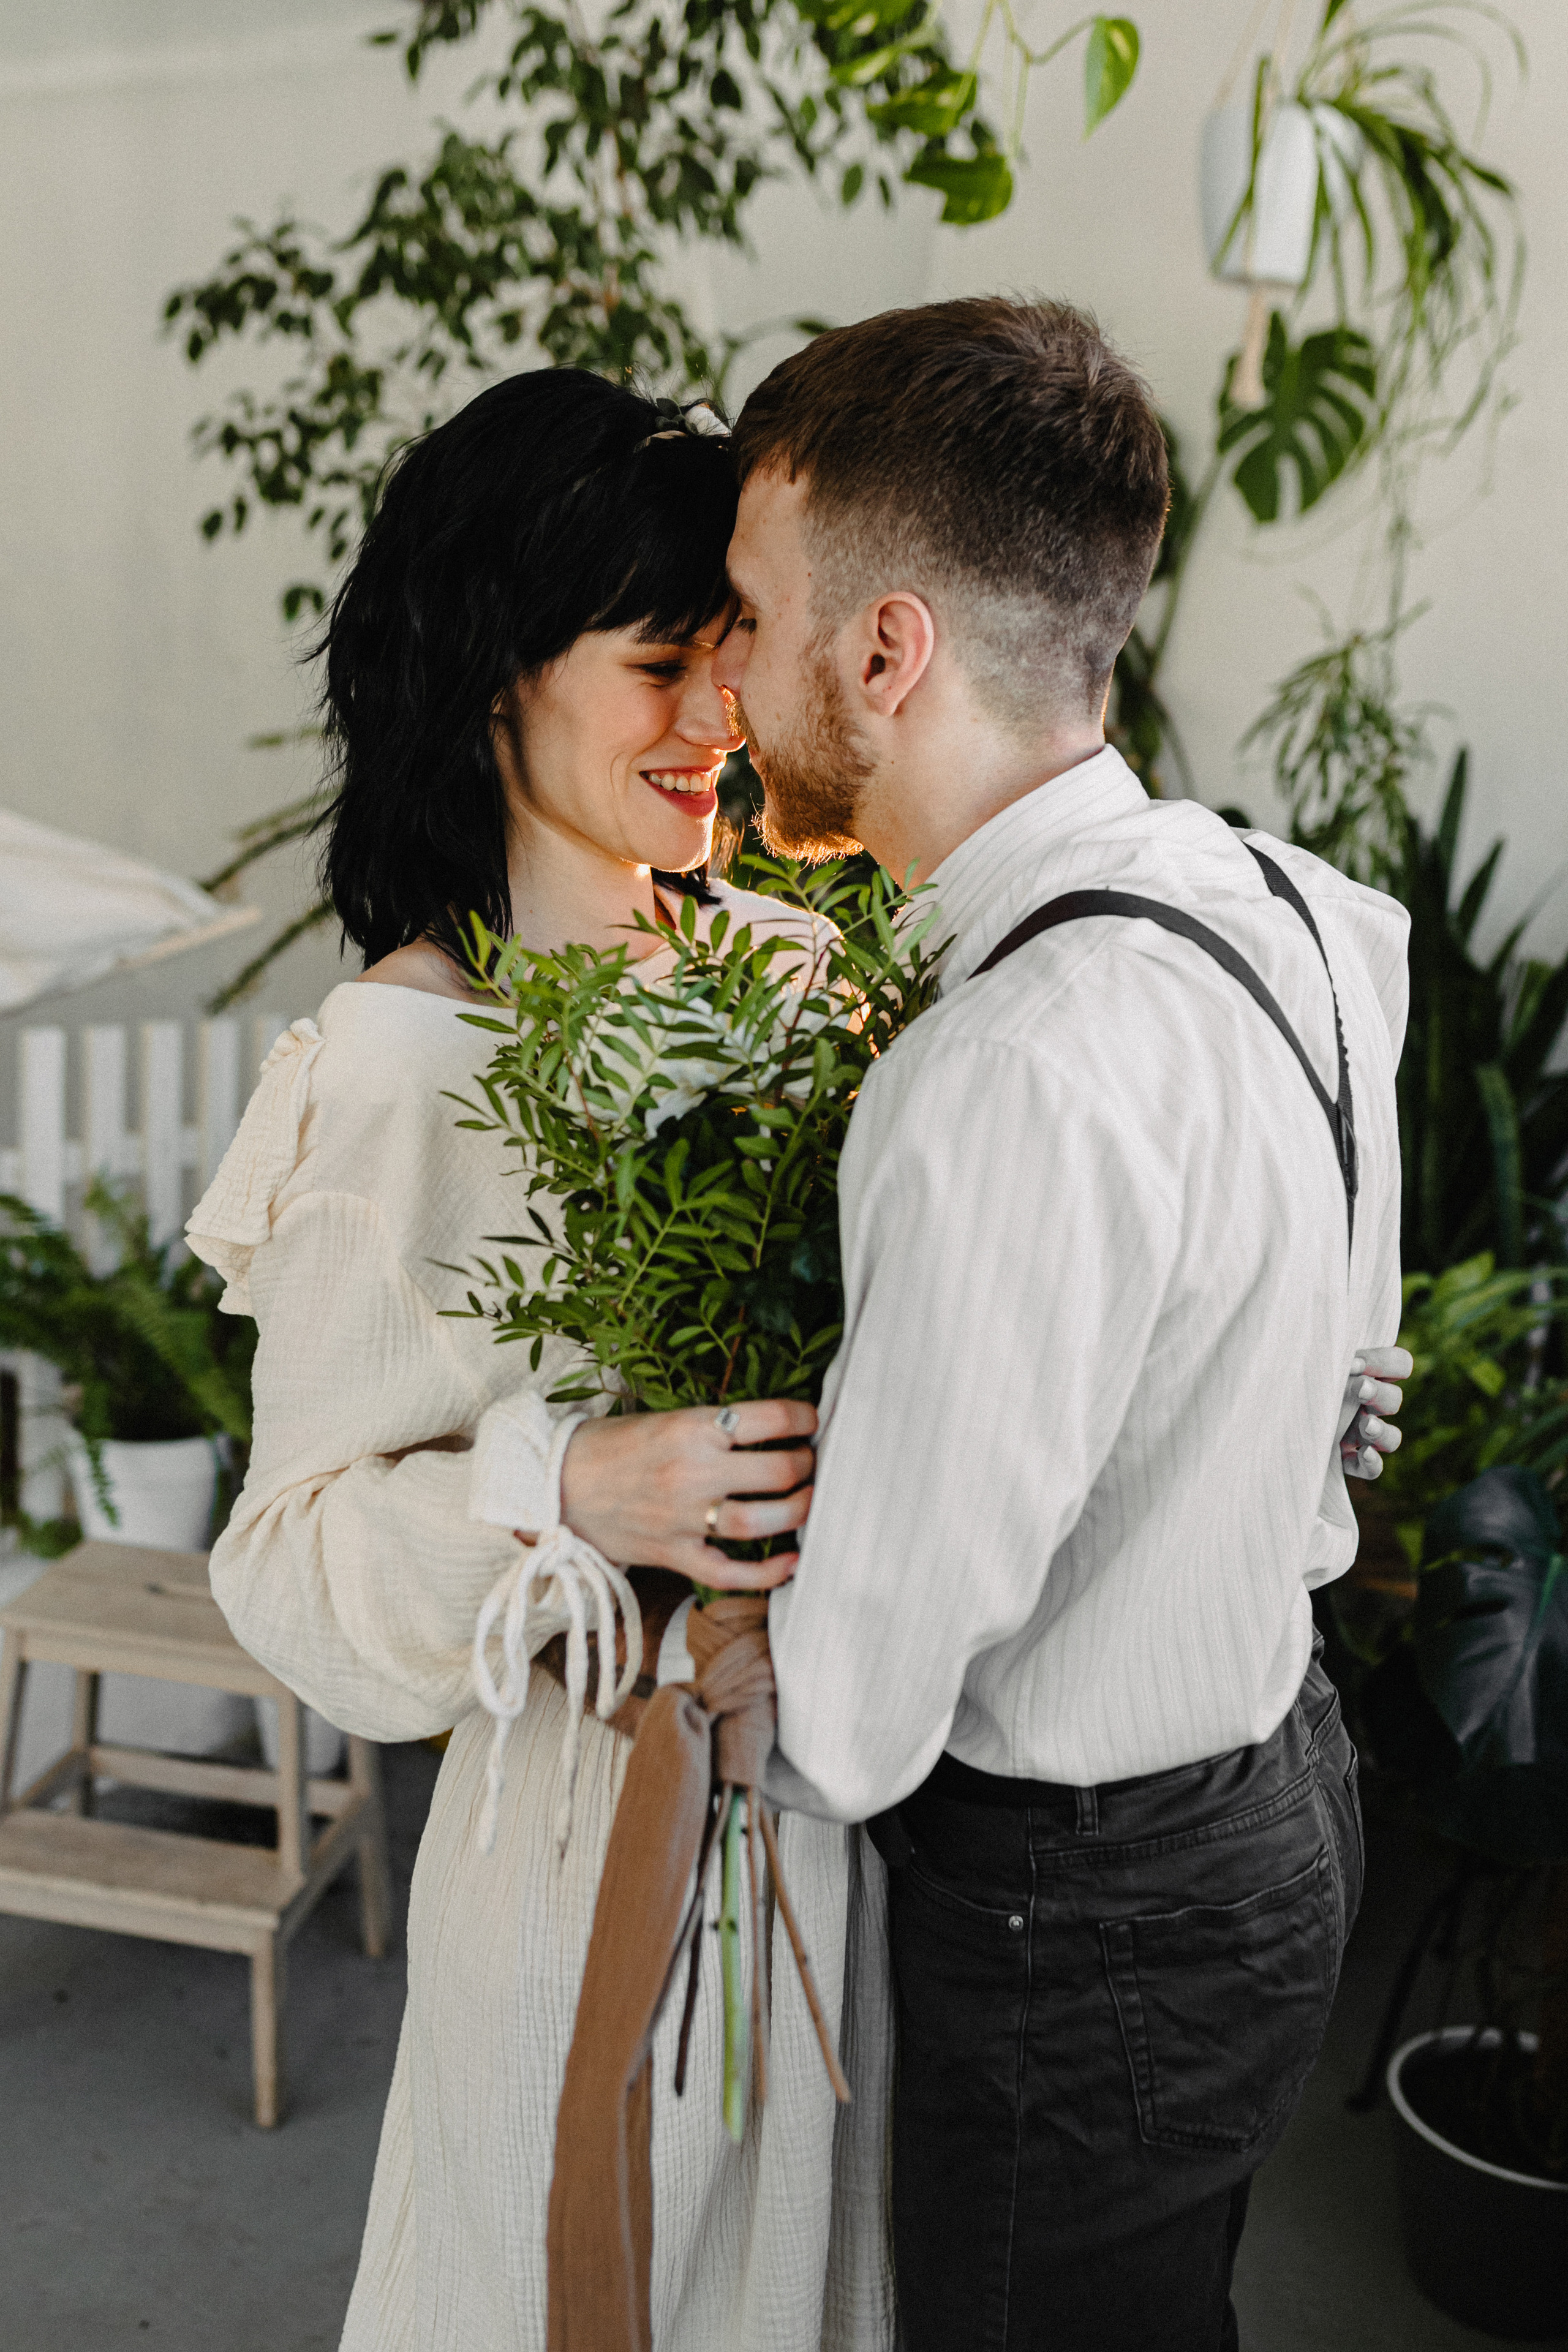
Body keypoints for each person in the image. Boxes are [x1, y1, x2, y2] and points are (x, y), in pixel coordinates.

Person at [714, 296, 1411, 2352]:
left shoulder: (1002, 1072)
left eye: (752, 618)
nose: (733, 672)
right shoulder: (1299, 903)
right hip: (1287, 1800)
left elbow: (856, 1717)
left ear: (887, 648)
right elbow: (1331, 1380)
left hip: (1087, 1914)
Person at [185, 369, 894, 2352]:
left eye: (728, 659)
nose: (714, 723)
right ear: (497, 670)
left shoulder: (808, 974)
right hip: (587, 1843)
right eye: (661, 661)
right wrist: (570, 1485)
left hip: (854, 1828)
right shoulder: (402, 1066)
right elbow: (289, 1555)